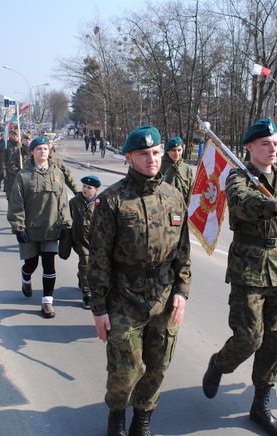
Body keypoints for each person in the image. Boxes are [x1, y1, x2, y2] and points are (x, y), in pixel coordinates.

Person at [201, 117, 277, 436]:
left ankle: (260, 403)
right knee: (250, 337)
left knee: (274, 340)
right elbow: (242, 203)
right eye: (265, 143)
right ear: (249, 147)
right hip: (247, 268)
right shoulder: (238, 177)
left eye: (276, 143)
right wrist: (275, 205)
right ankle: (220, 363)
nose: (272, 148)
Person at [87, 126, 191, 436]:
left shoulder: (174, 196)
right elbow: (99, 259)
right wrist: (99, 308)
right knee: (125, 369)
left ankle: (142, 419)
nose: (152, 159)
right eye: (143, 154)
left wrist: (182, 291)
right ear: (129, 157)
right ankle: (117, 415)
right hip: (124, 298)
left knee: (158, 365)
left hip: (163, 296)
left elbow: (183, 251)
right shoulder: (112, 201)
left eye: (156, 152)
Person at [7, 136, 72, 319]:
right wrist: (18, 227)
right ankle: (25, 277)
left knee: (49, 266)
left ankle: (47, 302)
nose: (43, 152)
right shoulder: (23, 176)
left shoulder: (57, 173)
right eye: (39, 149)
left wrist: (66, 223)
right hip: (30, 228)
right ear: (32, 153)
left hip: (51, 228)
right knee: (31, 263)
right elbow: (16, 203)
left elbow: (63, 201)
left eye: (45, 148)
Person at [69, 175, 101, 309]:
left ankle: (81, 277)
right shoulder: (74, 202)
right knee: (85, 263)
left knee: (95, 265)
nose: (85, 189)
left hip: (96, 241)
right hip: (80, 240)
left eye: (89, 187)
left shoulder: (101, 203)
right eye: (84, 186)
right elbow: (67, 219)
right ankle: (87, 294)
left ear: (96, 190)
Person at [160, 136, 194, 205]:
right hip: (165, 207)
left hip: (183, 206)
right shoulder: (159, 166)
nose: (176, 153)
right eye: (173, 150)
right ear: (167, 151)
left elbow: (191, 190)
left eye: (179, 150)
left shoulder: (186, 169)